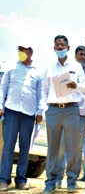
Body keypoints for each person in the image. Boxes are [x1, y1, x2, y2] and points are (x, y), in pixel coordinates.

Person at [41, 35, 85, 193]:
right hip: (53, 110)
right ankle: (51, 182)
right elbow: (44, 89)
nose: (60, 48)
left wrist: (77, 86)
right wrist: (44, 108)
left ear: (68, 47)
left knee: (73, 148)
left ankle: (72, 182)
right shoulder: (50, 67)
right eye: (57, 46)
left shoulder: (76, 66)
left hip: (71, 110)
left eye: (63, 45)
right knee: (53, 148)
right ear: (54, 48)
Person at [0, 46, 43, 191]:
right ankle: (4, 180)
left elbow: (40, 94)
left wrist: (39, 111)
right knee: (8, 147)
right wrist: (0, 105)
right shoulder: (11, 68)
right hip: (11, 111)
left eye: (24, 50)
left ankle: (21, 180)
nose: (21, 52)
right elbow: (2, 87)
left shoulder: (37, 71)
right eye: (19, 49)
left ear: (31, 52)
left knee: (25, 147)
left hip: (29, 113)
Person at [54, 46, 85, 188]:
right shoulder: (67, 71)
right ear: (75, 55)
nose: (83, 57)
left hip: (83, 114)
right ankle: (58, 179)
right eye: (81, 54)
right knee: (62, 146)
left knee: (77, 149)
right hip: (68, 111)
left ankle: (72, 181)